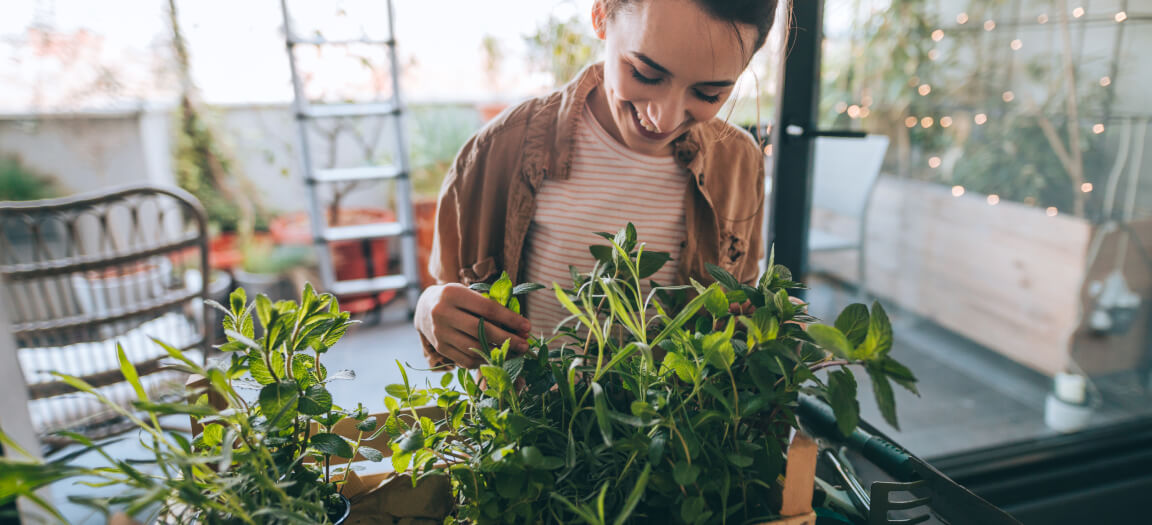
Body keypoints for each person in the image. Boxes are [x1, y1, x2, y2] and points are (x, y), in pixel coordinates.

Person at [415, 0, 779, 369]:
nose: (663, 118)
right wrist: (429, 310)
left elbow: (737, 312)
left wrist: (765, 321)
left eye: (707, 94)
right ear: (602, 15)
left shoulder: (739, 163)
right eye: (645, 73)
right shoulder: (497, 149)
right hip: (532, 419)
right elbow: (447, 301)